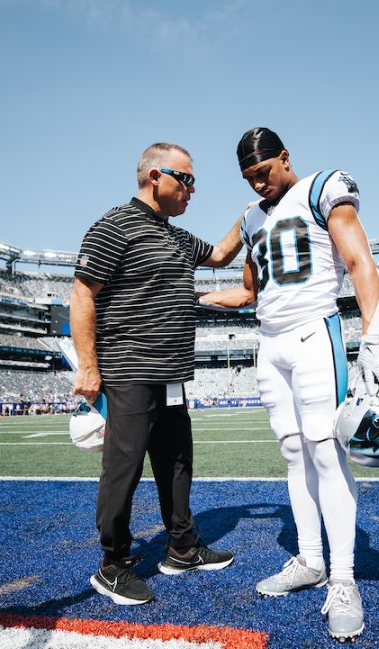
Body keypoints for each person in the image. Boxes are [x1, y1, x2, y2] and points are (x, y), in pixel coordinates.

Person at [198, 127, 379, 641]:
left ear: (285, 158)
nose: (259, 184)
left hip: (314, 332)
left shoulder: (321, 188)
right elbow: (243, 289)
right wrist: (193, 298)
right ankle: (309, 560)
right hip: (271, 342)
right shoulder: (250, 217)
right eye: (248, 178)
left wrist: (373, 334)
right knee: (292, 451)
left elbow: (358, 261)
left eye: (263, 172)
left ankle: (344, 578)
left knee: (326, 452)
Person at [72, 141, 246, 606]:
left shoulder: (176, 236)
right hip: (129, 371)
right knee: (122, 472)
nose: (192, 189)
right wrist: (88, 366)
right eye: (186, 179)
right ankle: (113, 565)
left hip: (171, 374)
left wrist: (250, 216)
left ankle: (182, 548)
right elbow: (83, 294)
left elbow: (222, 256)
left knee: (177, 463)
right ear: (156, 176)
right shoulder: (114, 226)